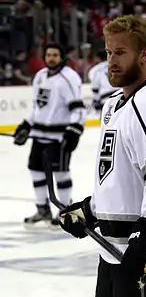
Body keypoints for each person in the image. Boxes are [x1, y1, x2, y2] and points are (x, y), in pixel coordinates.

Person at [59, 15, 146, 297]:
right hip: (113, 248)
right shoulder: (114, 105)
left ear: (144, 54)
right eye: (108, 52)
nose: (111, 62)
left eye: (120, 52)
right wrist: (90, 211)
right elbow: (120, 178)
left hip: (144, 254)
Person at [13, 43, 86, 227]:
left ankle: (65, 210)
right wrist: (25, 125)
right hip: (39, 135)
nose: (51, 58)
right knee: (35, 170)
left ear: (61, 57)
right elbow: (38, 107)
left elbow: (78, 108)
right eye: (48, 55)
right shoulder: (40, 76)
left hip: (59, 137)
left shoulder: (69, 77)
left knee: (61, 172)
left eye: (55, 54)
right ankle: (42, 209)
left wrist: (74, 130)